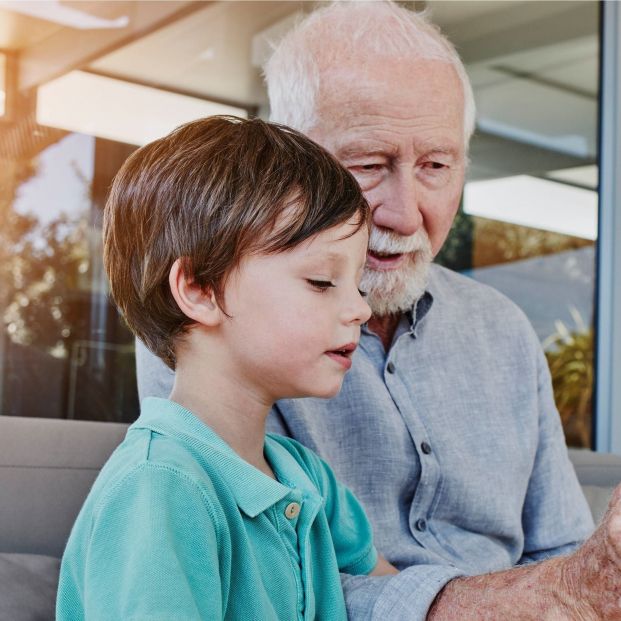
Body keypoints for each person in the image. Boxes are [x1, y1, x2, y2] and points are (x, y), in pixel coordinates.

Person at [136, 4, 621, 620]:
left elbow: (565, 555)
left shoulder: (504, 329)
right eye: (368, 165)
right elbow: (258, 585)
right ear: (288, 160)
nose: (406, 213)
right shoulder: (210, 332)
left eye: (437, 167)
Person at [56, 116, 398, 620]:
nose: (361, 310)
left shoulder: (307, 479)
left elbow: (396, 594)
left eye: (359, 285)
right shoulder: (159, 489)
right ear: (198, 290)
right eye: (323, 281)